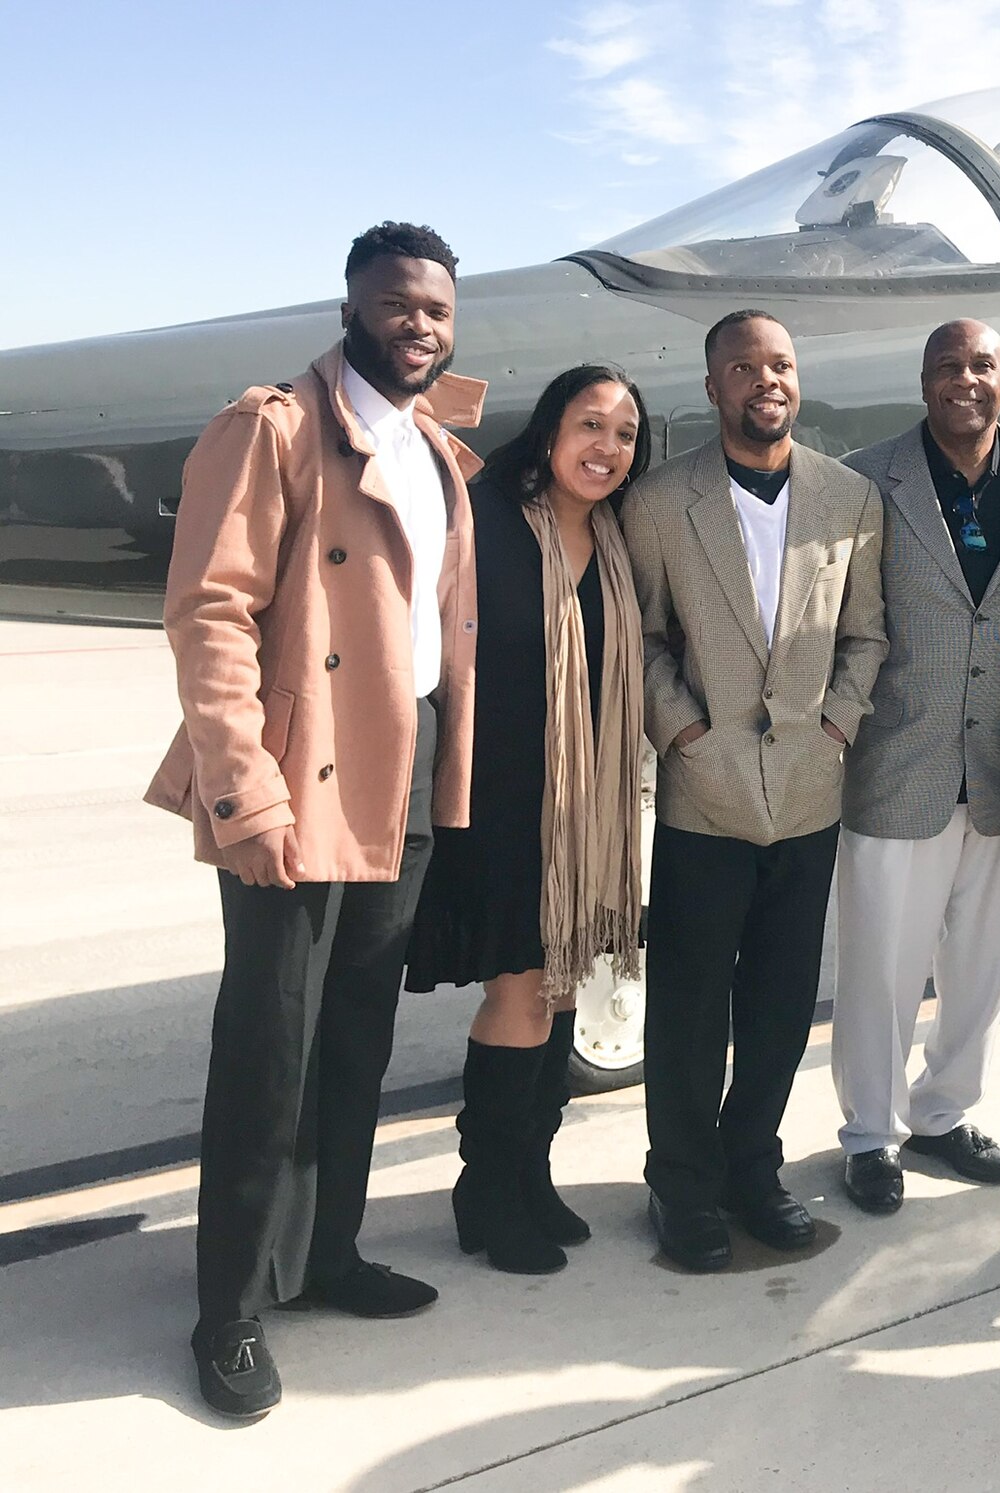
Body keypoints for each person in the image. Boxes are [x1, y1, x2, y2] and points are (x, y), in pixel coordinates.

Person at [144, 223, 483, 1417]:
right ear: (352, 307)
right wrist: (244, 788)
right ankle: (228, 1308)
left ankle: (328, 1253)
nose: (419, 324)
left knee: (357, 1036)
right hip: (301, 774)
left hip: (407, 762)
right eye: (397, 304)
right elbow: (210, 613)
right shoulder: (274, 425)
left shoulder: (437, 446)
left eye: (436, 308)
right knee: (268, 1049)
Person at [622, 310, 886, 1272]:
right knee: (691, 1005)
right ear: (713, 388)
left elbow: (866, 637)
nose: (764, 380)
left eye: (779, 364)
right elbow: (641, 638)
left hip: (810, 791)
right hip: (706, 793)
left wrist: (836, 725)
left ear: (796, 380)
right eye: (743, 367)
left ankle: (752, 1168)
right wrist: (682, 729)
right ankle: (681, 1182)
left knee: (779, 1001)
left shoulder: (849, 499)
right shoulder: (658, 504)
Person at [405, 366, 651, 1274]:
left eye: (624, 434)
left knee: (557, 991)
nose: (607, 447)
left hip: (587, 808)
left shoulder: (621, 537)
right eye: (590, 424)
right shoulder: (485, 522)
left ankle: (531, 1174)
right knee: (520, 988)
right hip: (502, 798)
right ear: (548, 430)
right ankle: (484, 1193)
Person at [830, 321, 1000, 1212]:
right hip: (897, 760)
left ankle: (944, 1112)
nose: (963, 380)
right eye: (947, 366)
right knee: (880, 969)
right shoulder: (865, 478)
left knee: (981, 964)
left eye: (981, 366)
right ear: (923, 379)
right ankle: (869, 1133)